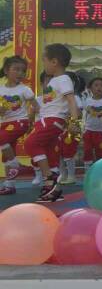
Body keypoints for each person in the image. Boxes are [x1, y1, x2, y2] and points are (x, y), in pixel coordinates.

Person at [24, 44, 80, 202]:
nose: (43, 63)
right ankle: (54, 191)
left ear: (54, 62)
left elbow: (71, 100)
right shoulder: (54, 81)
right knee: (49, 153)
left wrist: (74, 122)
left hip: (52, 120)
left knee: (30, 143)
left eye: (44, 60)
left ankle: (49, 178)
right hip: (48, 120)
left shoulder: (63, 79)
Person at [0, 56, 35, 195]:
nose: (20, 73)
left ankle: (17, 164)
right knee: (7, 155)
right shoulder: (1, 89)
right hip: (5, 123)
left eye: (23, 70)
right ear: (6, 71)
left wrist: (33, 119)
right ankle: (10, 185)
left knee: (1, 141)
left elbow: (36, 106)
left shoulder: (24, 89)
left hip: (19, 122)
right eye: (16, 69)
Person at [59, 72, 85, 185]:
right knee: (59, 152)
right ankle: (62, 174)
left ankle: (71, 175)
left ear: (73, 83)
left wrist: (70, 120)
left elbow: (79, 113)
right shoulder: (58, 98)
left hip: (72, 129)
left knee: (68, 152)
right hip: (60, 128)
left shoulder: (75, 98)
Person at [82, 77, 102, 169]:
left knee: (101, 150)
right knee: (87, 150)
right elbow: (85, 114)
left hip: (101, 131)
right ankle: (87, 169)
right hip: (88, 130)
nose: (99, 87)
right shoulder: (87, 100)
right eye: (96, 85)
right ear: (90, 88)